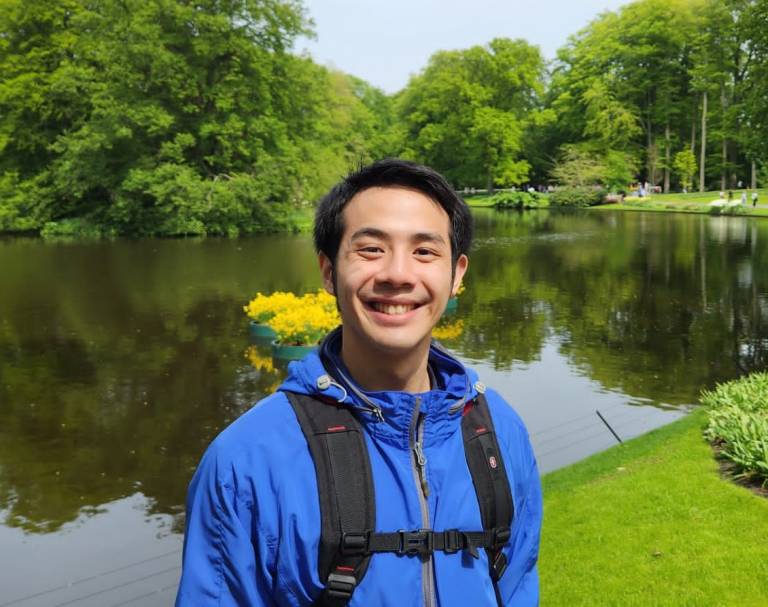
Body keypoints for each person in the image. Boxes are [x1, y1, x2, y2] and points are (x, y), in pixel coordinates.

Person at [175, 159, 542, 606]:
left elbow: (518, 584)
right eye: (371, 249)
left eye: (425, 252)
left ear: (457, 275)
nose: (397, 274)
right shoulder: (245, 463)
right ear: (329, 272)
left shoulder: (498, 431)